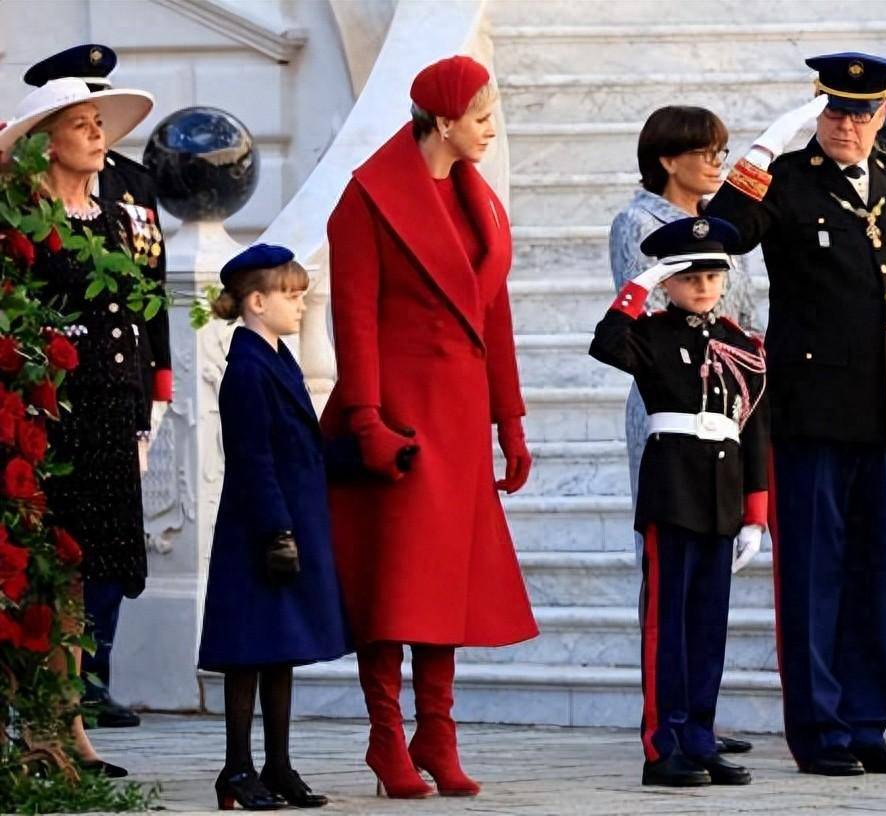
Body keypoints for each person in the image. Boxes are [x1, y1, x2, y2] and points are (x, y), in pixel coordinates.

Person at [706, 53, 886, 776]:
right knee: (815, 575)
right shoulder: (786, 182)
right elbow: (721, 232)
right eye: (834, 111)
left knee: (876, 574)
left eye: (861, 112)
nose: (846, 126)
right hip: (812, 411)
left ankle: (865, 724)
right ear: (818, 112)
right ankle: (818, 731)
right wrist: (764, 146)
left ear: (883, 115)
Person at [321, 55, 537, 799]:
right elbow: (352, 317)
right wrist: (367, 419)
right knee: (393, 583)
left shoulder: (481, 198)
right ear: (442, 120)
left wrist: (509, 418)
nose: (489, 129)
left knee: (447, 585)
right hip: (400, 414)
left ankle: (437, 736)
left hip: (461, 416)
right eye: (480, 116)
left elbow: (493, 314)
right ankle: (387, 741)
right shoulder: (367, 199)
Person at [0, 76, 158, 777]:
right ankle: (41, 725)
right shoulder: (21, 216)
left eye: (101, 122)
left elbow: (137, 317)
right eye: (83, 124)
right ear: (47, 143)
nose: (99, 135)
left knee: (85, 571)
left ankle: (73, 730)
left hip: (108, 409)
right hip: (53, 410)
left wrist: (140, 411)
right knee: (47, 571)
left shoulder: (115, 218)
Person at [590, 216, 768, 788]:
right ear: (670, 280)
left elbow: (755, 431)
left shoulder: (742, 344)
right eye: (689, 275)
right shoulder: (651, 333)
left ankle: (699, 738)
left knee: (709, 626)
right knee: (667, 626)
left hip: (722, 497)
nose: (703, 285)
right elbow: (605, 344)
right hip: (672, 490)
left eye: (713, 274)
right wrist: (641, 286)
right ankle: (661, 745)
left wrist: (756, 515)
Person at [609, 105, 757, 757]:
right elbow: (640, 316)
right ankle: (662, 719)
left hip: (727, 407)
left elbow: (744, 313)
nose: (716, 164)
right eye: (705, 152)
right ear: (669, 158)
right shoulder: (637, 221)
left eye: (722, 153)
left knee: (709, 576)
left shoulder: (719, 224)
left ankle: (697, 716)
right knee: (669, 570)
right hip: (669, 406)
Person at [198, 244, 350, 811]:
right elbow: (252, 458)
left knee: (278, 650)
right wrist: (277, 531)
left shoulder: (278, 358)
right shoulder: (247, 370)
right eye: (291, 295)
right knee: (247, 653)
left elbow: (302, 445)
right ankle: (236, 769)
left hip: (287, 524)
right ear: (257, 302)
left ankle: (277, 765)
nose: (302, 305)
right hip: (260, 531)